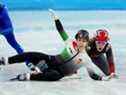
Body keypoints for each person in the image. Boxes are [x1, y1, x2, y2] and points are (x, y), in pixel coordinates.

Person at [8, 10, 112, 81]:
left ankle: (29, 76)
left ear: (87, 41)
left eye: (84, 41)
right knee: (33, 54)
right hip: (51, 61)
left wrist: (102, 78)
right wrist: (56, 19)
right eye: (79, 40)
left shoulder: (86, 58)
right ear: (76, 39)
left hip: (58, 72)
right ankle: (6, 61)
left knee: (55, 76)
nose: (81, 42)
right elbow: (61, 30)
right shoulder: (70, 42)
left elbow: (92, 75)